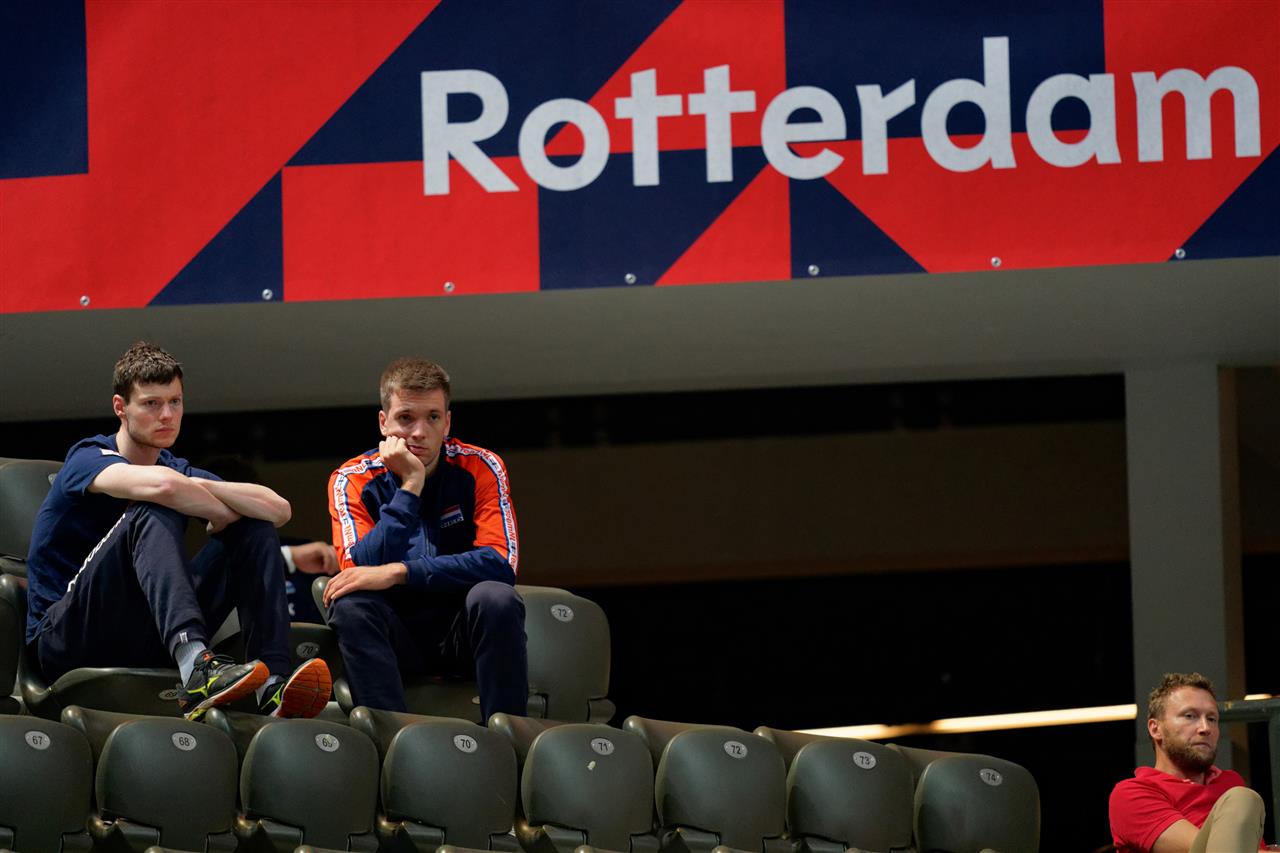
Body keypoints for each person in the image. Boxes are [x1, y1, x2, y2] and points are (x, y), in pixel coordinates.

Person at [24, 342, 331, 720]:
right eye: (151, 404)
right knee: (154, 505)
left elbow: (278, 509)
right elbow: (163, 487)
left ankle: (272, 684)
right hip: (66, 639)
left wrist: (201, 489)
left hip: (146, 634)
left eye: (175, 402)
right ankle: (196, 665)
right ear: (121, 407)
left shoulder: (176, 469)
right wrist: (212, 505)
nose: (167, 415)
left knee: (254, 526)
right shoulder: (88, 457)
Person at [324, 357, 526, 720]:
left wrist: (401, 571)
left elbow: (500, 563)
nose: (419, 432)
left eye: (432, 417)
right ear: (383, 423)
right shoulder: (351, 478)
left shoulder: (481, 466)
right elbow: (358, 569)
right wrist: (411, 485)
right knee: (352, 604)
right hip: (394, 640)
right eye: (405, 418)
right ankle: (392, 740)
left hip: (464, 635)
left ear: (447, 422)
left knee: (496, 597)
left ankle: (511, 736)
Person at [1109, 672, 1267, 852]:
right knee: (1241, 799)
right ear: (1155, 728)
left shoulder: (1229, 782)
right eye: (1190, 716)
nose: (1205, 728)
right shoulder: (1131, 794)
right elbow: (1211, 849)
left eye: (1212, 719)